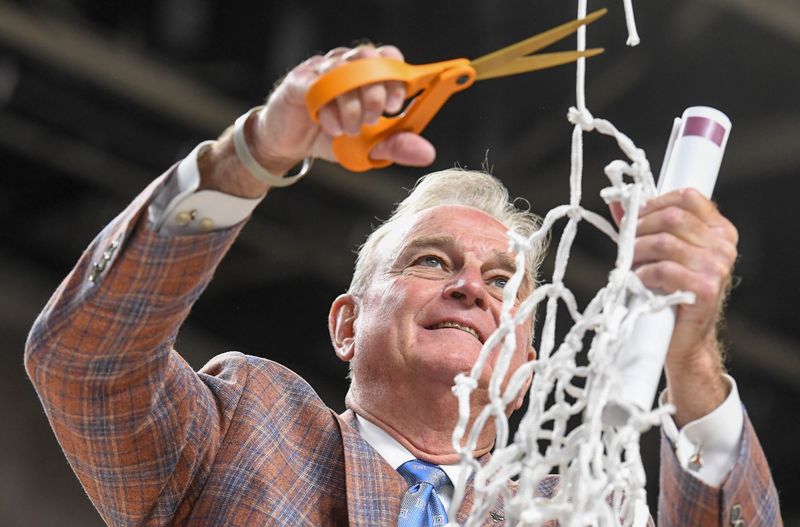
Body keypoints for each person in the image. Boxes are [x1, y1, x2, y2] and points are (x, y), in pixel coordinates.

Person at [25, 44, 781, 526]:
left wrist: (691, 357)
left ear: (525, 369)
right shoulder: (246, 426)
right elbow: (85, 360)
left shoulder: (573, 511)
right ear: (346, 323)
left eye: (504, 280)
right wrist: (253, 155)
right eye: (431, 261)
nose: (472, 289)